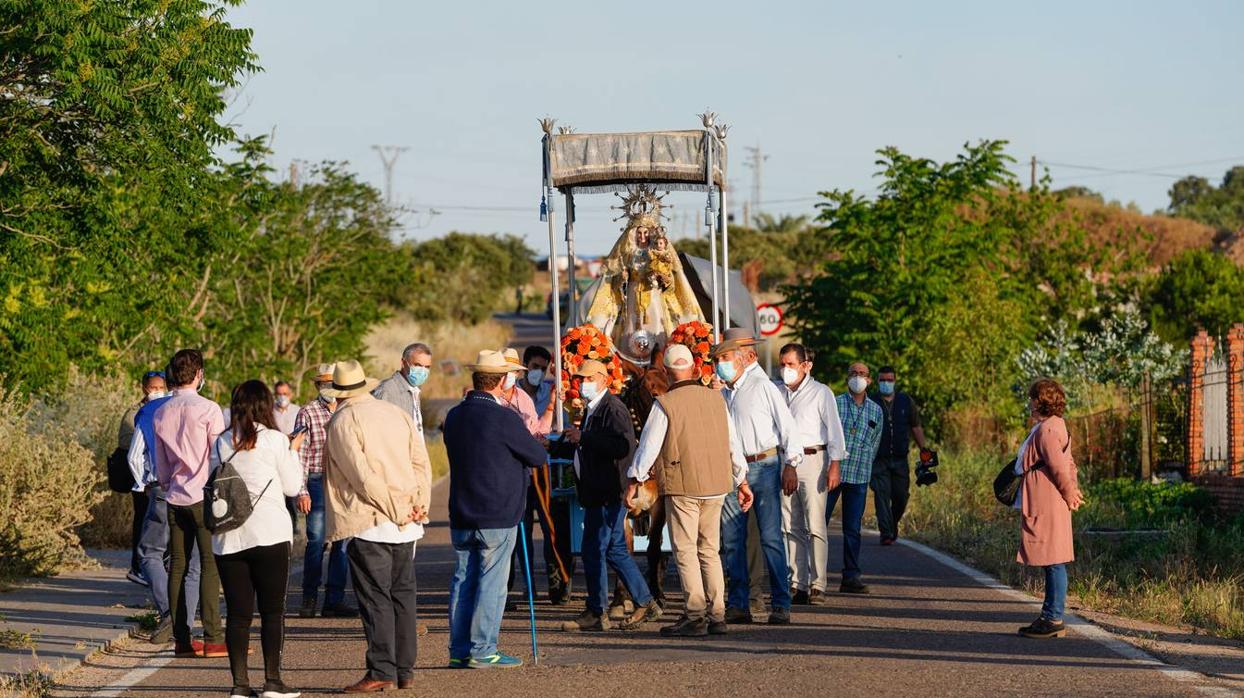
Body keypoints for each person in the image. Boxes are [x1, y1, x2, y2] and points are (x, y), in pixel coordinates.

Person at [623, 344, 751, 637]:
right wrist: (742, 480)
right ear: (694, 368)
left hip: (683, 485)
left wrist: (634, 479)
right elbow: (733, 443)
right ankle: (718, 613)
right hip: (717, 485)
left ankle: (695, 615)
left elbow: (648, 447)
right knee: (709, 549)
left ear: (667, 373)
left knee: (685, 550)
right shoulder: (717, 400)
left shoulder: (665, 404)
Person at [323, 360, 433, 693]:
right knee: (403, 596)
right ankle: (404, 668)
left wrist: (398, 509)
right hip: (407, 522)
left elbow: (362, 477)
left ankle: (381, 668)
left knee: (375, 599)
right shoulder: (394, 413)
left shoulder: (342, 421)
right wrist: (419, 504)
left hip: (370, 521)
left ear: (338, 394)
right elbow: (421, 463)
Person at [443, 351, 548, 668]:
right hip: (497, 511)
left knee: (463, 580)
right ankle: (483, 649)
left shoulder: (455, 416)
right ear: (503, 380)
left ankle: (459, 648)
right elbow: (537, 456)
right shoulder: (504, 418)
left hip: (462, 509)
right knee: (491, 583)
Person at [211, 381, 305, 698]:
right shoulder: (277, 441)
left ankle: (240, 685)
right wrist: (293, 452)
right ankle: (273, 682)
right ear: (266, 404)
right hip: (270, 534)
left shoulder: (222, 442)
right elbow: (292, 487)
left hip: (229, 537)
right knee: (272, 611)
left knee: (238, 615)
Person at [560, 359, 661, 632]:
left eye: (588, 378)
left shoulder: (612, 408)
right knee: (614, 549)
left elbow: (622, 446)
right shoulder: (596, 409)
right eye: (580, 379)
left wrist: (584, 438)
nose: (582, 384)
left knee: (595, 549)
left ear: (604, 379)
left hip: (607, 493)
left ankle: (597, 611)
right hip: (599, 492)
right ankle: (644, 601)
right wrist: (574, 440)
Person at [711, 328, 801, 625]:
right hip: (735, 470)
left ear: (745, 357)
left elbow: (787, 428)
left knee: (771, 537)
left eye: (724, 357)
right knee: (734, 539)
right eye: (718, 358)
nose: (719, 363)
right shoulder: (724, 392)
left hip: (765, 464)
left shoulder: (763, 387)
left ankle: (780, 603)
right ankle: (739, 603)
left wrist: (791, 463)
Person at [153, 348, 226, 658]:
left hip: (174, 496)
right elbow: (217, 455)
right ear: (198, 375)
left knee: (177, 566)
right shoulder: (209, 409)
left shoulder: (161, 411)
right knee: (209, 564)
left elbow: (162, 462)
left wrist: (170, 484)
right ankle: (213, 637)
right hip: (203, 495)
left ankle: (182, 638)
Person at [128, 368, 199, 646]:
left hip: (162, 488)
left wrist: (141, 483)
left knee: (149, 553)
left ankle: (169, 612)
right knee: (191, 560)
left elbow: (135, 455)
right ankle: (187, 624)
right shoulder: (201, 408)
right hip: (195, 491)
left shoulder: (149, 411)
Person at [778, 344, 847, 606]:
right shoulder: (777, 392)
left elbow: (834, 430)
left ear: (804, 365)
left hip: (814, 459)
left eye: (791, 364)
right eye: (782, 364)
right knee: (790, 524)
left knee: (815, 525)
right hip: (785, 461)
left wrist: (835, 464)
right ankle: (798, 583)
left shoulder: (821, 393)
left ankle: (818, 583)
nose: (786, 369)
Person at [1016, 378, 1083, 639]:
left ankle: (1053, 617)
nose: (1030, 403)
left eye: (1032, 398)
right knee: (1052, 560)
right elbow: (1068, 463)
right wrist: (1071, 489)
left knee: (1054, 561)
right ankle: (1049, 614)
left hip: (1049, 501)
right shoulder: (1055, 426)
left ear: (1040, 401)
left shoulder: (1046, 431)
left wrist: (1069, 493)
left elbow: (1057, 465)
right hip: (1051, 500)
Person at [510, 344, 574, 605]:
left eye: (543, 368)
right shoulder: (514, 395)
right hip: (521, 472)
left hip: (549, 470)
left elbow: (564, 426)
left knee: (553, 529)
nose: (539, 372)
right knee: (521, 532)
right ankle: (528, 586)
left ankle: (557, 583)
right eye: (535, 367)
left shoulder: (553, 392)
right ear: (526, 367)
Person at [293, 364, 356, 619]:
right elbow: (299, 454)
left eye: (333, 382)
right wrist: (301, 490)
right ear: (318, 386)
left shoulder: (348, 410)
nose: (329, 388)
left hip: (342, 482)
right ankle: (309, 597)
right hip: (317, 480)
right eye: (324, 383)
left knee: (343, 541)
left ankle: (334, 599)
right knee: (316, 541)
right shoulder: (307, 412)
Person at [830, 362, 884, 594]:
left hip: (860, 474)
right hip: (833, 472)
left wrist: (867, 466)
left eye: (862, 374)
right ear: (847, 378)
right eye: (854, 373)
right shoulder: (835, 403)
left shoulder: (876, 410)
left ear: (869, 380)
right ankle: (812, 576)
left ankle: (850, 576)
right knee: (818, 523)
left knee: (852, 528)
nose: (858, 377)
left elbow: (875, 443)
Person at [870, 365, 930, 545]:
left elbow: (916, 426)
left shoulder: (905, 401)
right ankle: (886, 533)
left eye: (889, 380)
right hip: (878, 459)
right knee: (881, 495)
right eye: (882, 380)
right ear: (877, 381)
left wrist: (924, 449)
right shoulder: (871, 401)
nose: (886, 383)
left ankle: (892, 523)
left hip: (900, 459)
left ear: (895, 381)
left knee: (901, 496)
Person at [120, 370, 168, 586]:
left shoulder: (168, 407)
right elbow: (128, 445)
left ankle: (155, 567)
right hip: (144, 478)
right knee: (142, 521)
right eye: (153, 388)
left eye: (161, 388)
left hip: (157, 477)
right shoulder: (135, 413)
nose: (157, 392)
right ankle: (138, 567)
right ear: (144, 388)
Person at [373, 342, 433, 439]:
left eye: (427, 367)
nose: (423, 371)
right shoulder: (387, 390)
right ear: (404, 363)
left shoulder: (414, 390)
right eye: (417, 365)